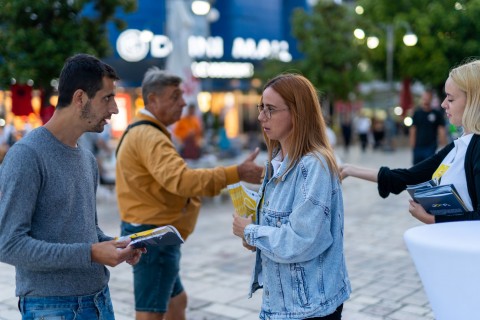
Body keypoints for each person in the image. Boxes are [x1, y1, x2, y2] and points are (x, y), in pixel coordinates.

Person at [0, 53, 143, 320]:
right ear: (80, 98)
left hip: (100, 299)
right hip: (52, 308)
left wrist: (114, 244)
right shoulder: (26, 156)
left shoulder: (87, 158)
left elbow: (83, 229)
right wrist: (90, 252)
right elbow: (9, 245)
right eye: (107, 98)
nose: (114, 109)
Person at [115, 66, 264, 320]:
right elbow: (182, 181)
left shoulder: (146, 131)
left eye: (182, 95)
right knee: (150, 312)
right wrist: (235, 173)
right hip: (154, 236)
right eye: (175, 96)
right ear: (152, 99)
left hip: (155, 233)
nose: (183, 102)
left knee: (177, 302)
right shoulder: (149, 135)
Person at [232, 73, 351, 320]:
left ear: (297, 113)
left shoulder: (313, 166)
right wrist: (253, 234)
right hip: (281, 302)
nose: (261, 116)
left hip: (308, 307)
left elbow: (301, 241)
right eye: (261, 107)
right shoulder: (278, 161)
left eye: (271, 109)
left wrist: (251, 232)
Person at [341, 59, 480, 224]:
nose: (443, 104)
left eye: (450, 99)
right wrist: (350, 169)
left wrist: (433, 219)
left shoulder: (475, 147)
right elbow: (408, 177)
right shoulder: (461, 145)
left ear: (473, 101)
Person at [410, 89, 447, 164]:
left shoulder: (437, 114)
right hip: (418, 146)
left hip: (431, 146)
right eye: (424, 98)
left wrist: (444, 146)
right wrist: (412, 146)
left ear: (431, 99)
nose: (426, 101)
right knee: (416, 168)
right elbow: (413, 130)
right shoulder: (417, 113)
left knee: (428, 168)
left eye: (428, 98)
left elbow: (441, 130)